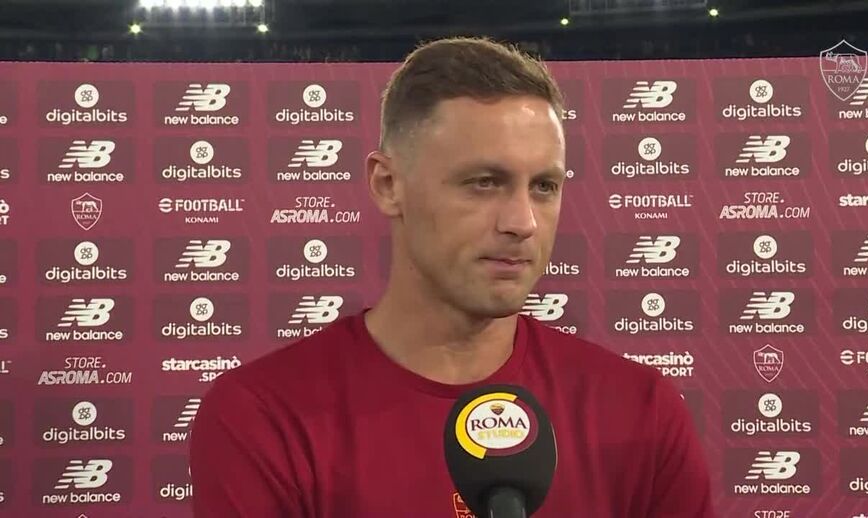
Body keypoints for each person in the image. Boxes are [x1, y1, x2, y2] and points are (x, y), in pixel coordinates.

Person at [189, 36, 715, 517]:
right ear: (388, 184)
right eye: (484, 182)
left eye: (544, 187)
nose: (522, 223)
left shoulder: (641, 411)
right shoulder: (262, 417)